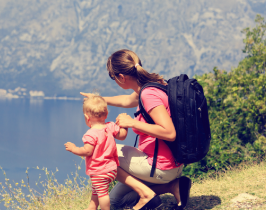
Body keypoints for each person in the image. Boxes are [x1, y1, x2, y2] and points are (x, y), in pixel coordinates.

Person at [81, 49, 191, 210]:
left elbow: (169, 133)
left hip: (159, 166)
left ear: (121, 77)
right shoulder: (153, 86)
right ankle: (173, 186)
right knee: (117, 201)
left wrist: (132, 123)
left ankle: (146, 195)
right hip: (168, 165)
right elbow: (126, 101)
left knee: (98, 148)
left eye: (113, 78)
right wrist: (98, 99)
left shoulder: (149, 94)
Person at [65, 95, 128, 210]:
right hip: (112, 169)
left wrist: (74, 148)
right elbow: (122, 136)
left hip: (99, 171)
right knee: (96, 192)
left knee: (102, 194)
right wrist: (125, 126)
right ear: (106, 114)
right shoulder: (110, 126)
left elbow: (87, 151)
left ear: (86, 117)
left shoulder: (91, 134)